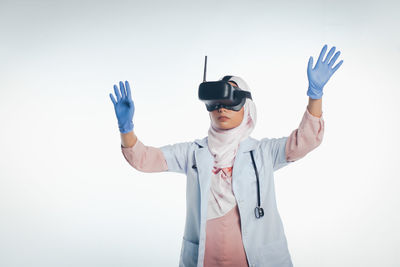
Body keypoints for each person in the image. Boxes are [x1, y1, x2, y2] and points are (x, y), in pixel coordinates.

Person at [109, 44, 343, 267]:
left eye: (231, 102)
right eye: (216, 103)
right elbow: (144, 159)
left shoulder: (262, 153)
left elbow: (306, 140)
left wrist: (315, 95)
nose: (222, 108)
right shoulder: (193, 153)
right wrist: (126, 129)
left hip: (254, 259)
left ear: (247, 107)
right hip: (205, 258)